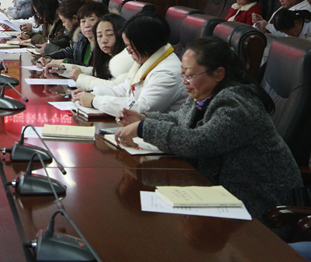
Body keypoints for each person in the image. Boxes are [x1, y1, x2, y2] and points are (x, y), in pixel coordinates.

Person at [115, 37, 302, 228]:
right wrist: (142, 118)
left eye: (189, 75)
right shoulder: (205, 91)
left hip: (260, 205)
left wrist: (144, 128)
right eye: (182, 74)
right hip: (220, 191)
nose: (185, 81)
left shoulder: (237, 104)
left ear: (218, 73)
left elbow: (199, 142)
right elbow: (180, 119)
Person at [72, 13, 187, 116]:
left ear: (145, 43)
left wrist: (95, 101)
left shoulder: (167, 72)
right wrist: (92, 93)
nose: (128, 51)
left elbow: (141, 108)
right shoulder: (146, 59)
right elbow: (124, 89)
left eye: (130, 46)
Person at [63, 14, 135, 91]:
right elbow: (97, 71)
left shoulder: (130, 58)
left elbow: (116, 86)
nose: (104, 40)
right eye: (100, 36)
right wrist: (63, 69)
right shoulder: (109, 55)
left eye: (109, 34)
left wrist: (80, 78)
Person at [44, 0, 109, 65]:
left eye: (92, 20)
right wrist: (47, 58)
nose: (87, 25)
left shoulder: (106, 45)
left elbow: (93, 69)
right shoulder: (82, 38)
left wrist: (64, 62)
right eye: (83, 21)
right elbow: (70, 51)